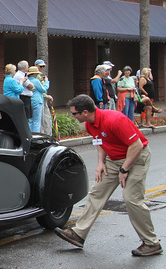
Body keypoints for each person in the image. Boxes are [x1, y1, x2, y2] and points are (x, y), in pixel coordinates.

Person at [55, 95, 162, 257]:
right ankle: (79, 233)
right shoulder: (90, 125)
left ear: (85, 112)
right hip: (114, 160)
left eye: (74, 114)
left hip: (136, 157)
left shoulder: (114, 119)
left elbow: (137, 145)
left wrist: (124, 169)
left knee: (131, 199)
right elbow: (100, 142)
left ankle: (151, 243)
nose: (72, 116)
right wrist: (100, 163)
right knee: (97, 192)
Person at [26, 66, 48, 133]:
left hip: (30, 101)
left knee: (31, 120)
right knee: (37, 121)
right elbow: (43, 90)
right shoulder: (36, 81)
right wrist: (46, 82)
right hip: (37, 101)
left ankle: (30, 135)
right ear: (35, 74)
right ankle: (36, 135)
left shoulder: (27, 81)